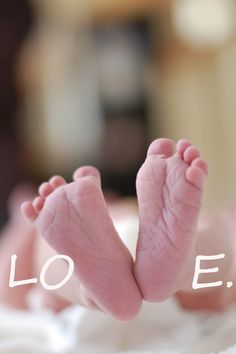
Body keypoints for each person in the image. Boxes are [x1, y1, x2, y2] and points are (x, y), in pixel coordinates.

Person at [0, 138, 234, 320]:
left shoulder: (97, 216)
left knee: (46, 257)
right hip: (192, 301)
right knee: (213, 239)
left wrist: (23, 225)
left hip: (81, 306)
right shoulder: (130, 212)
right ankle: (188, 265)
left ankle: (87, 290)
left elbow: (8, 286)